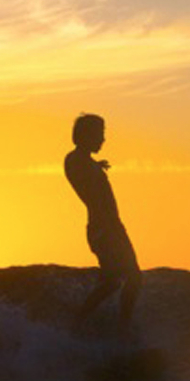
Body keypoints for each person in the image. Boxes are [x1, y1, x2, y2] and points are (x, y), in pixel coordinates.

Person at [64, 113, 142, 334]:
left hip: (109, 228)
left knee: (115, 281)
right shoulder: (75, 160)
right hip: (105, 229)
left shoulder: (83, 160)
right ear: (85, 135)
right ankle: (119, 329)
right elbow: (81, 178)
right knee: (132, 278)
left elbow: (84, 170)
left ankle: (80, 324)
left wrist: (96, 165)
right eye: (100, 134)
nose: (103, 139)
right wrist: (95, 168)